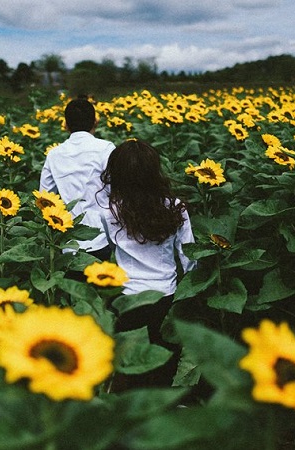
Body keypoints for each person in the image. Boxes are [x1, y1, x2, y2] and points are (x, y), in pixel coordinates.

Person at [99, 138, 196, 390]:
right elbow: (190, 260)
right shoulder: (176, 209)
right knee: (164, 368)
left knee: (131, 369)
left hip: (129, 300)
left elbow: (112, 248)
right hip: (166, 297)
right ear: (155, 172)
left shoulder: (111, 213)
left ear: (116, 175)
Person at [39, 96, 115, 260]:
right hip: (104, 237)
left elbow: (44, 198)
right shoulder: (106, 149)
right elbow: (118, 191)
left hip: (68, 242)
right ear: (95, 122)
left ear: (65, 125)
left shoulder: (54, 155)